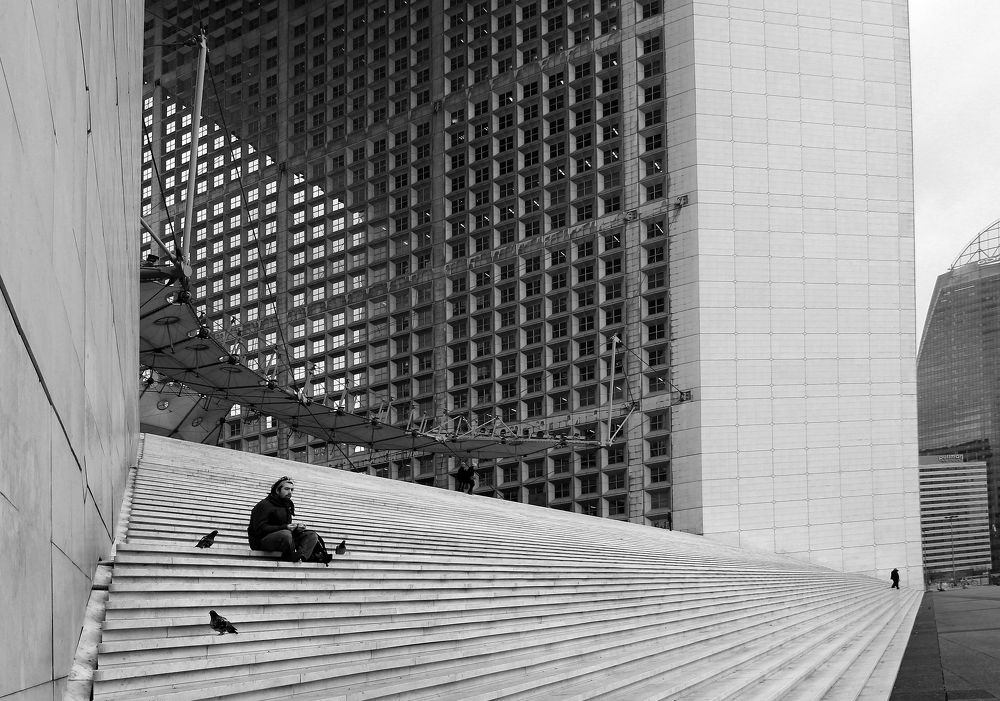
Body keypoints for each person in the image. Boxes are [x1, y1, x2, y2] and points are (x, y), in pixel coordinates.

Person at [247, 476, 318, 562]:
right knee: (285, 534)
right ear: (277, 490)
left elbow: (286, 528)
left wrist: (296, 528)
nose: (290, 492)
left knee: (311, 535)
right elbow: (259, 529)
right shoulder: (264, 505)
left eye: (292, 490)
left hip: (284, 537)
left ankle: (300, 557)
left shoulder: (287, 505)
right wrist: (286, 527)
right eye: (287, 489)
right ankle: (291, 556)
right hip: (262, 541)